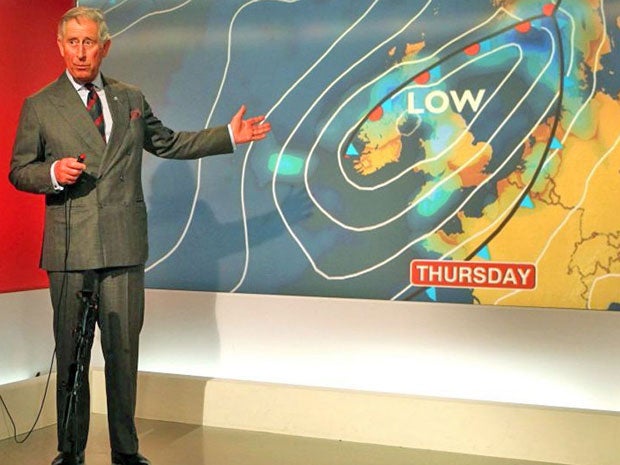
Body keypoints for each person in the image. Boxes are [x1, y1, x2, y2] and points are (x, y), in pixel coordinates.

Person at [8, 6, 271, 465]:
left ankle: (126, 452)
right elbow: (18, 171)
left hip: (124, 248)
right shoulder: (40, 105)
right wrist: (52, 171)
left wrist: (227, 136)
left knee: (122, 355)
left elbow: (167, 142)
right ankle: (70, 453)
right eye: (73, 42)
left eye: (89, 42)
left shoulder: (129, 97)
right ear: (60, 46)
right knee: (71, 356)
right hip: (71, 248)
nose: (81, 52)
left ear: (104, 47)